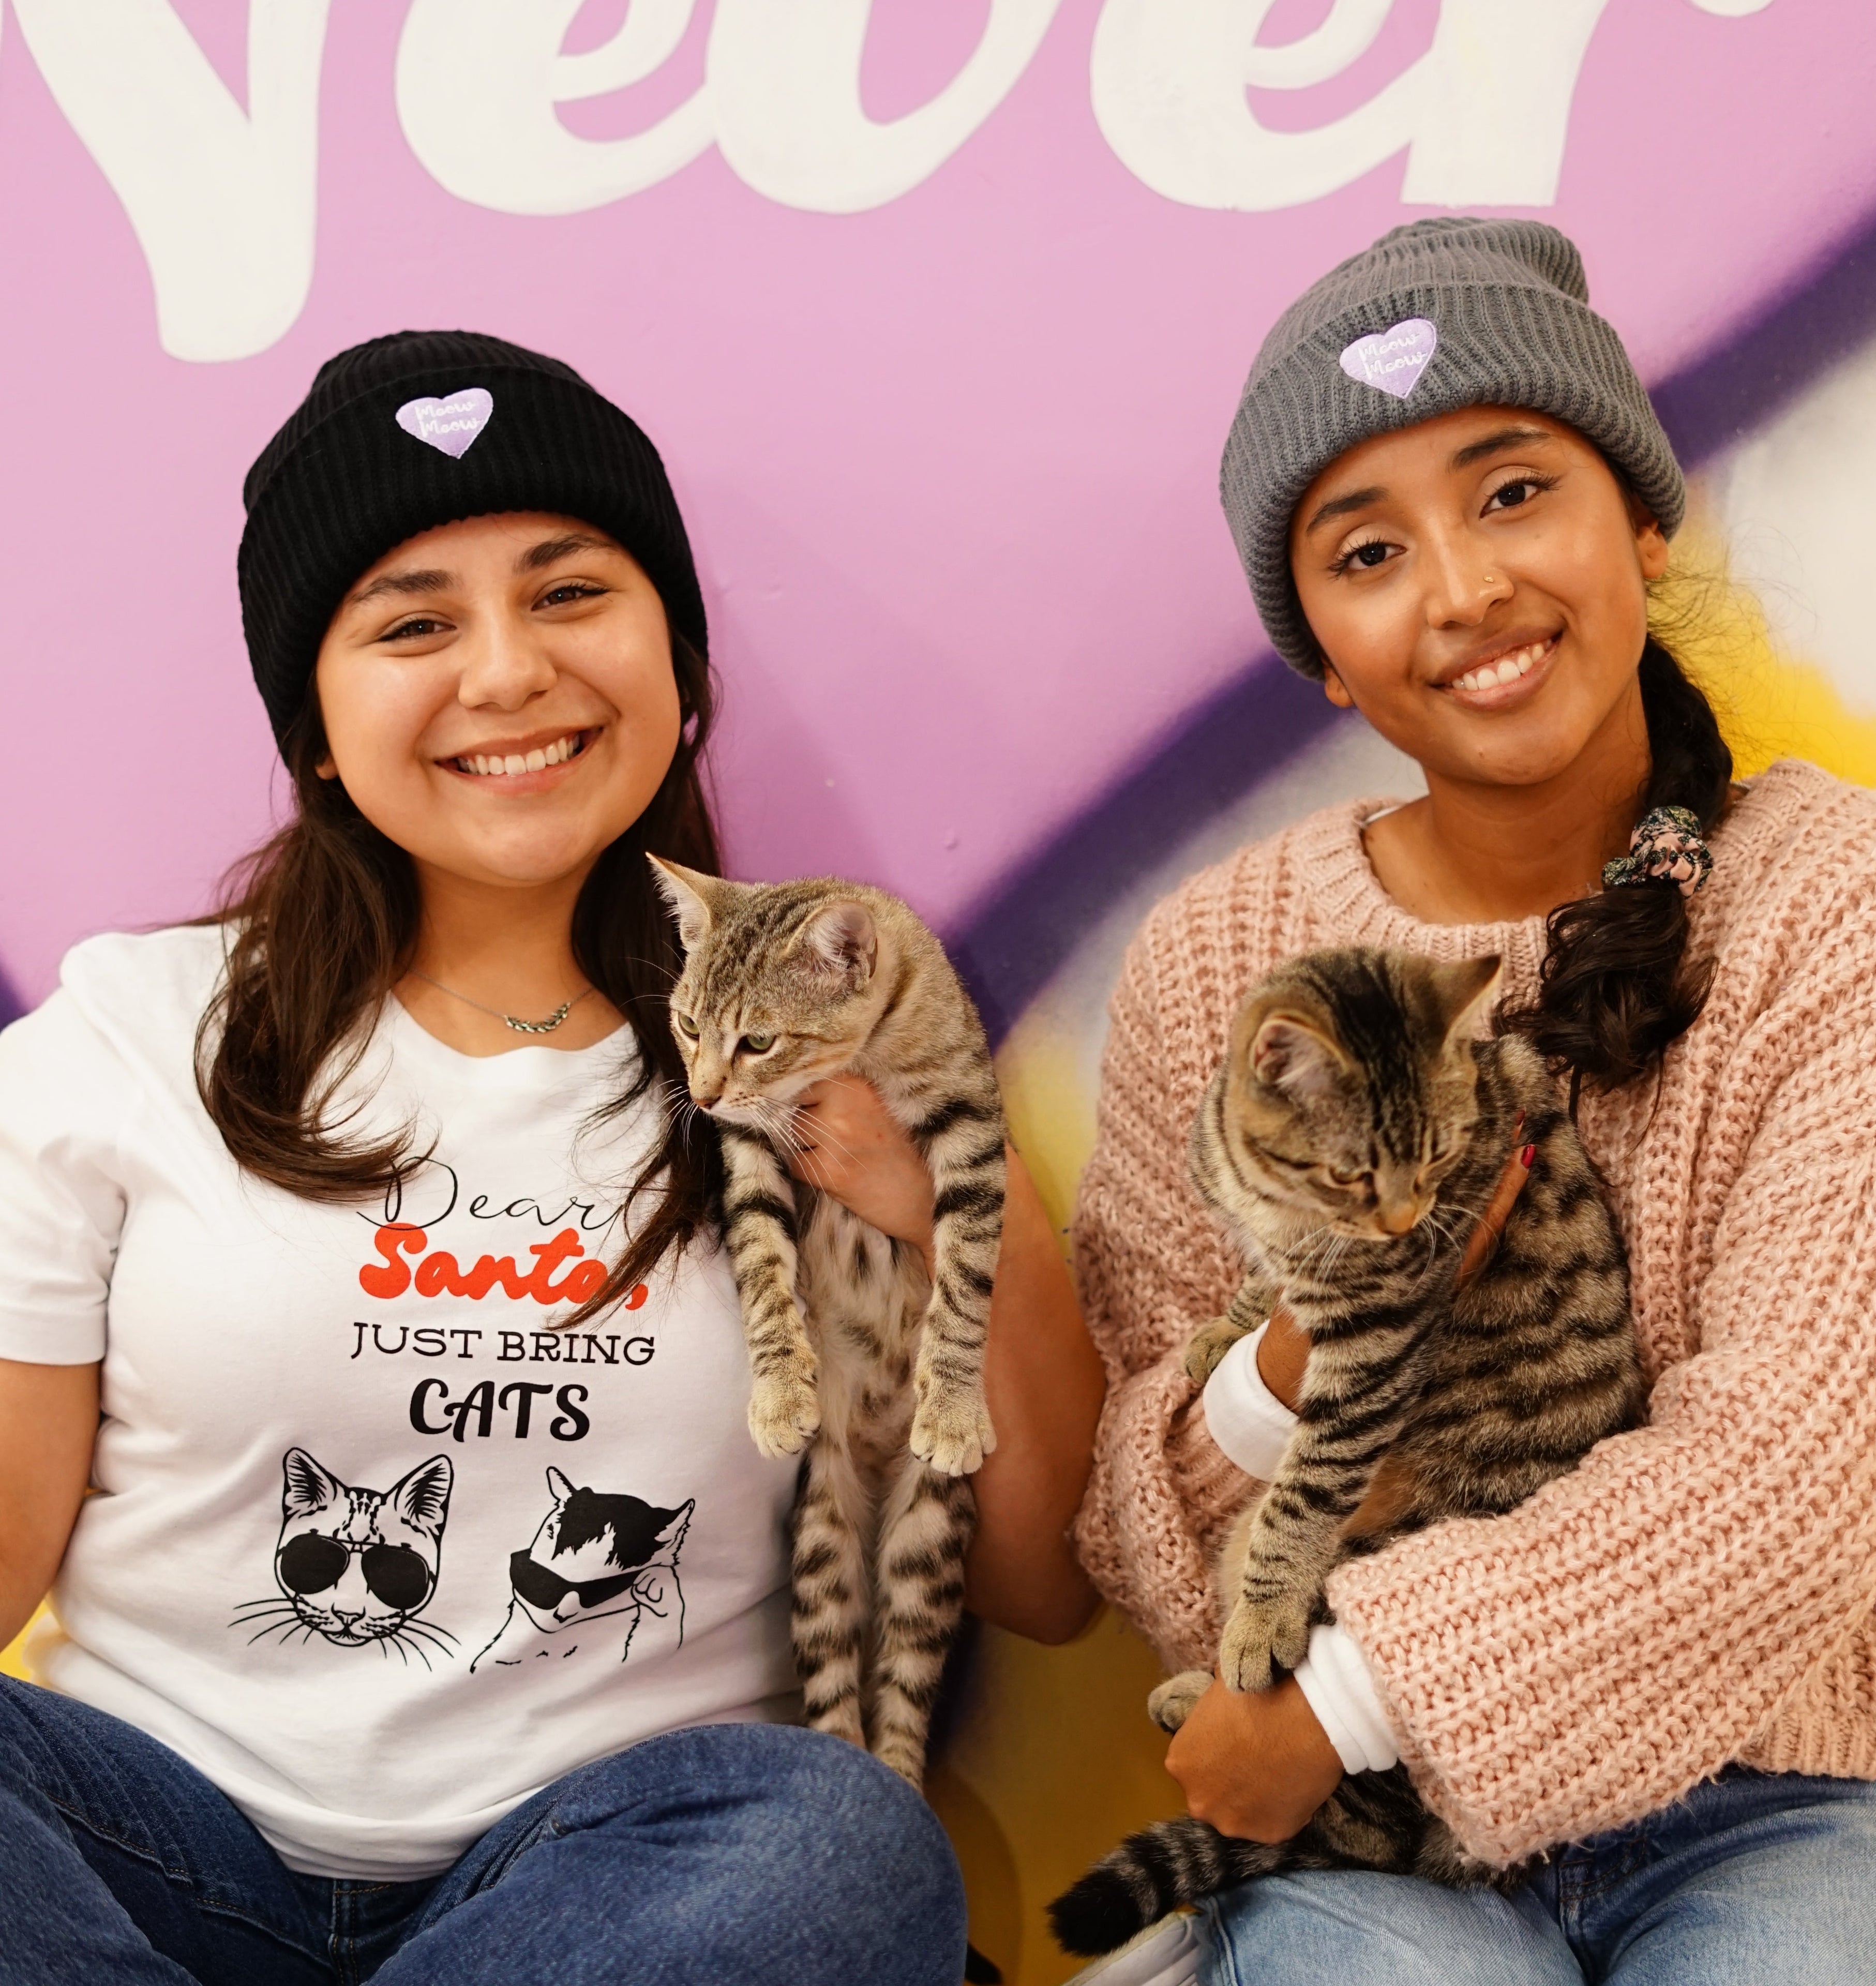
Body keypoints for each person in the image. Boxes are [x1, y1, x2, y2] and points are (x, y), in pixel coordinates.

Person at [0, 330, 1103, 1986]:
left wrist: (962, 1202)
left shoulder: (825, 1038)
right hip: (150, 1860)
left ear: (677, 662)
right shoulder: (133, 1035)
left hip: (614, 1885)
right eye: (414, 624)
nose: (509, 673)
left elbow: (1040, 1584)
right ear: (316, 724)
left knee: (838, 1841)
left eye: (570, 593)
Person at [1072, 219, 1876, 1984]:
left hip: (1780, 1799)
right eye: (1368, 551)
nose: (1463, 589)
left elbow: (1805, 1471)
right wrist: (1304, 1354)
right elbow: (1149, 1525)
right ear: (1324, 651)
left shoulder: (1865, 901)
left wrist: (1351, 1692)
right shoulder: (1224, 958)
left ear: (1642, 523)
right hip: (1366, 1829)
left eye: (1512, 494)